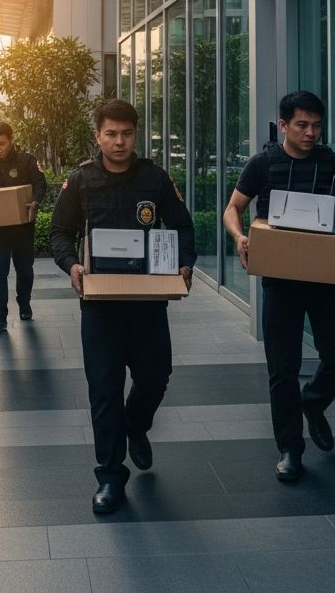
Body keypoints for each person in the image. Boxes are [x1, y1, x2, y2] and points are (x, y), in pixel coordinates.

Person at [51, 99, 195, 515]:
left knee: (155, 377)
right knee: (104, 388)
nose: (119, 141)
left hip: (147, 302)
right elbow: (59, 232)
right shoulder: (81, 180)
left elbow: (182, 225)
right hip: (100, 307)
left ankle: (137, 425)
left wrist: (185, 263)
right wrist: (72, 265)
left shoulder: (154, 179)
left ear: (137, 135)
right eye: (111, 134)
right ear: (97, 136)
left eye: (127, 134)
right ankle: (111, 476)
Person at [222, 91, 335, 483]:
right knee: (282, 369)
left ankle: (314, 402)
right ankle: (290, 447)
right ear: (283, 125)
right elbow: (233, 208)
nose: (310, 133)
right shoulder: (263, 164)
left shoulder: (333, 164)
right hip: (280, 281)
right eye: (302, 125)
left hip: (324, 278)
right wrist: (240, 238)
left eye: (317, 126)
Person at [0, 122, 47, 336]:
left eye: (2, 144)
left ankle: (24, 304)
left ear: (11, 140)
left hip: (23, 227)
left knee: (24, 269)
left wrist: (35, 202)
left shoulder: (27, 161)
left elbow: (41, 183)